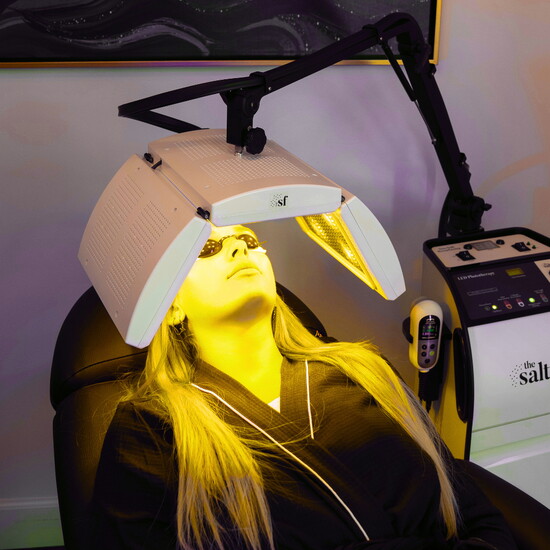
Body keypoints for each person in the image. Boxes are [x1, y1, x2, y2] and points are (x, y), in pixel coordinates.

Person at [93, 224, 518, 550]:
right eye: (207, 248)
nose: (240, 248)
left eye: (249, 240)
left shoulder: (363, 370)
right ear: (172, 307)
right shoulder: (150, 427)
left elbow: (473, 514)